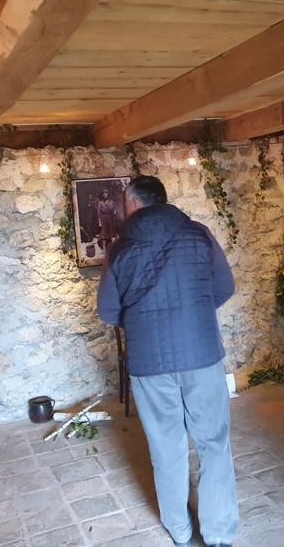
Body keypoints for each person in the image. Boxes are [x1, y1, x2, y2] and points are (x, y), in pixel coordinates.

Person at [97, 176, 238, 547]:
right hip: (201, 353)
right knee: (213, 443)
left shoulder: (120, 249)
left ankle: (179, 530)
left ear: (134, 204)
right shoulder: (199, 234)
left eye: (125, 203)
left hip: (149, 362)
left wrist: (143, 322)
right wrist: (194, 311)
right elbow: (224, 286)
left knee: (166, 447)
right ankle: (219, 535)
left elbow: (108, 310)